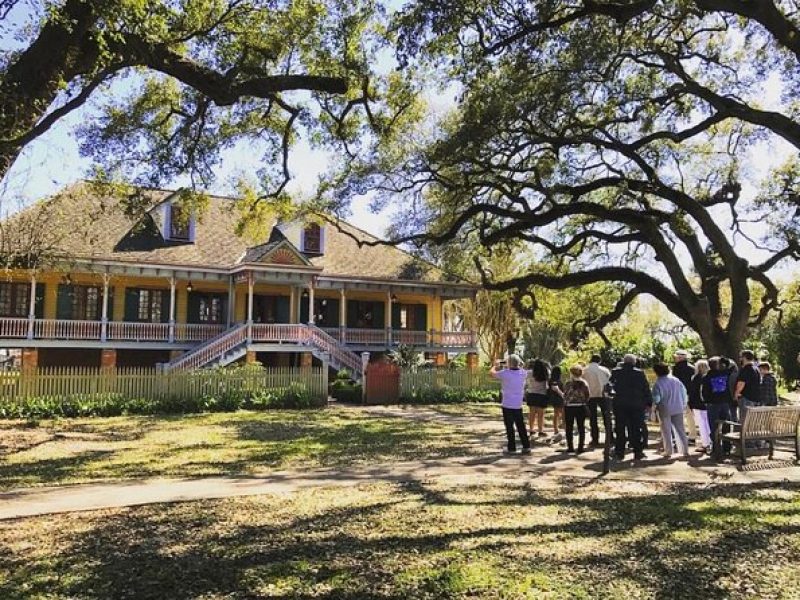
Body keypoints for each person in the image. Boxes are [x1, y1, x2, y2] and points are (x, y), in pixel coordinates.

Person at [609, 354, 652, 461]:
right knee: (636, 428)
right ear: (634, 362)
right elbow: (646, 388)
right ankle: (638, 452)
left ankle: (620, 452)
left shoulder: (616, 372)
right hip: (636, 404)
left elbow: (610, 386)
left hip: (620, 404)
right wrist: (649, 403)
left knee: (620, 428)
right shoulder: (640, 373)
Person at [491, 355, 531, 454]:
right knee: (521, 426)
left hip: (507, 404)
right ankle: (526, 446)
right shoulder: (523, 373)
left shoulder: (505, 373)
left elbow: (492, 374)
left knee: (509, 426)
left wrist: (495, 365)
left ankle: (511, 447)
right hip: (518, 404)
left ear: (509, 363)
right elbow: (524, 368)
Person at [652, 363, 690, 459]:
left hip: (665, 409)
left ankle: (668, 451)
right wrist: (684, 404)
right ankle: (685, 450)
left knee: (666, 430)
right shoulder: (676, 380)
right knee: (681, 429)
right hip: (678, 407)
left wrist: (655, 406)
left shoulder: (658, 383)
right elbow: (684, 393)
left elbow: (656, 398)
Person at [703, 356, 733, 459]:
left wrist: (706, 401)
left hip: (712, 404)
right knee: (726, 425)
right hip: (724, 403)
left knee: (713, 427)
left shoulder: (707, 377)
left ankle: (716, 448)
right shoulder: (726, 373)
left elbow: (704, 392)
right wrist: (724, 359)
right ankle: (727, 448)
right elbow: (732, 365)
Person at [583, 354, 612, 448]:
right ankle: (610, 437)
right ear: (599, 361)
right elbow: (609, 382)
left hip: (590, 396)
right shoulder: (604, 370)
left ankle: (595, 439)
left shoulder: (585, 370)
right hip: (603, 395)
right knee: (606, 417)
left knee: (593, 418)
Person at [562, 364, 591, 453]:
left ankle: (570, 447)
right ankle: (580, 447)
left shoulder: (568, 383)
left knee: (569, 428)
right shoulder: (584, 383)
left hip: (569, 407)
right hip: (580, 407)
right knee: (581, 427)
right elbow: (588, 395)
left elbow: (565, 395)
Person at [672, 350, 697, 445]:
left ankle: (679, 436)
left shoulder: (676, 368)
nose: (676, 358)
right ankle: (692, 436)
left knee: (678, 416)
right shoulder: (692, 368)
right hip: (689, 394)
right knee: (690, 415)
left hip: (678, 394)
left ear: (680, 357)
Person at [688, 359, 713, 453]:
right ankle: (711, 442)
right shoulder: (709, 377)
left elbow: (693, 392)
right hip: (708, 403)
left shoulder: (696, 378)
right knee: (708, 424)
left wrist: (690, 403)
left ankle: (705, 444)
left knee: (702, 425)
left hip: (698, 404)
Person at [525, 359, 550, 438]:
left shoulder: (529, 373)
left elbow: (524, 376)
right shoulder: (546, 373)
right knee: (541, 414)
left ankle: (531, 429)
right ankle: (540, 430)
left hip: (532, 394)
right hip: (542, 395)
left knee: (532, 413)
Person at [734, 350, 761, 421]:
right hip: (755, 398)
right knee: (752, 420)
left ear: (744, 358)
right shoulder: (756, 369)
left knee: (744, 420)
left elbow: (741, 383)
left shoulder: (746, 369)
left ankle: (744, 432)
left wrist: (736, 393)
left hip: (746, 398)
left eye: (741, 357)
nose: (740, 359)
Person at [548, 365, 565, 440]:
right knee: (561, 413)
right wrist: (563, 395)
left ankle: (556, 428)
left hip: (554, 398)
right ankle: (560, 428)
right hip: (558, 398)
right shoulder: (555, 380)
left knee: (557, 414)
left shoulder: (551, 379)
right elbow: (556, 389)